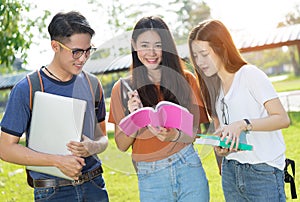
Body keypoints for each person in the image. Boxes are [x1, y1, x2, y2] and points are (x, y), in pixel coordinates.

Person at [0, 11, 109, 201]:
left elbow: (103, 138)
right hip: (53, 193)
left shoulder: (93, 84)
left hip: (95, 187)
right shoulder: (27, 89)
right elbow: (6, 149)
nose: (83, 59)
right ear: (55, 46)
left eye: (88, 50)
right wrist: (57, 161)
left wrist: (92, 146)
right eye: (76, 52)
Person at [108, 16, 210, 202]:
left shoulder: (186, 80)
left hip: (188, 167)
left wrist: (174, 136)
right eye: (145, 45)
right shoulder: (122, 89)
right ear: (134, 45)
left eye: (158, 45)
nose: (151, 52)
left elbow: (195, 132)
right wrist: (135, 117)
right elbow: (122, 145)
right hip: (151, 177)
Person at [188, 19, 290, 202]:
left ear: (222, 48)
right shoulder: (214, 88)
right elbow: (222, 133)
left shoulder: (250, 74)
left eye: (204, 53)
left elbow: (282, 118)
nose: (199, 61)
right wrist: (221, 149)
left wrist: (243, 124)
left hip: (263, 172)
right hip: (231, 171)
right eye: (195, 56)